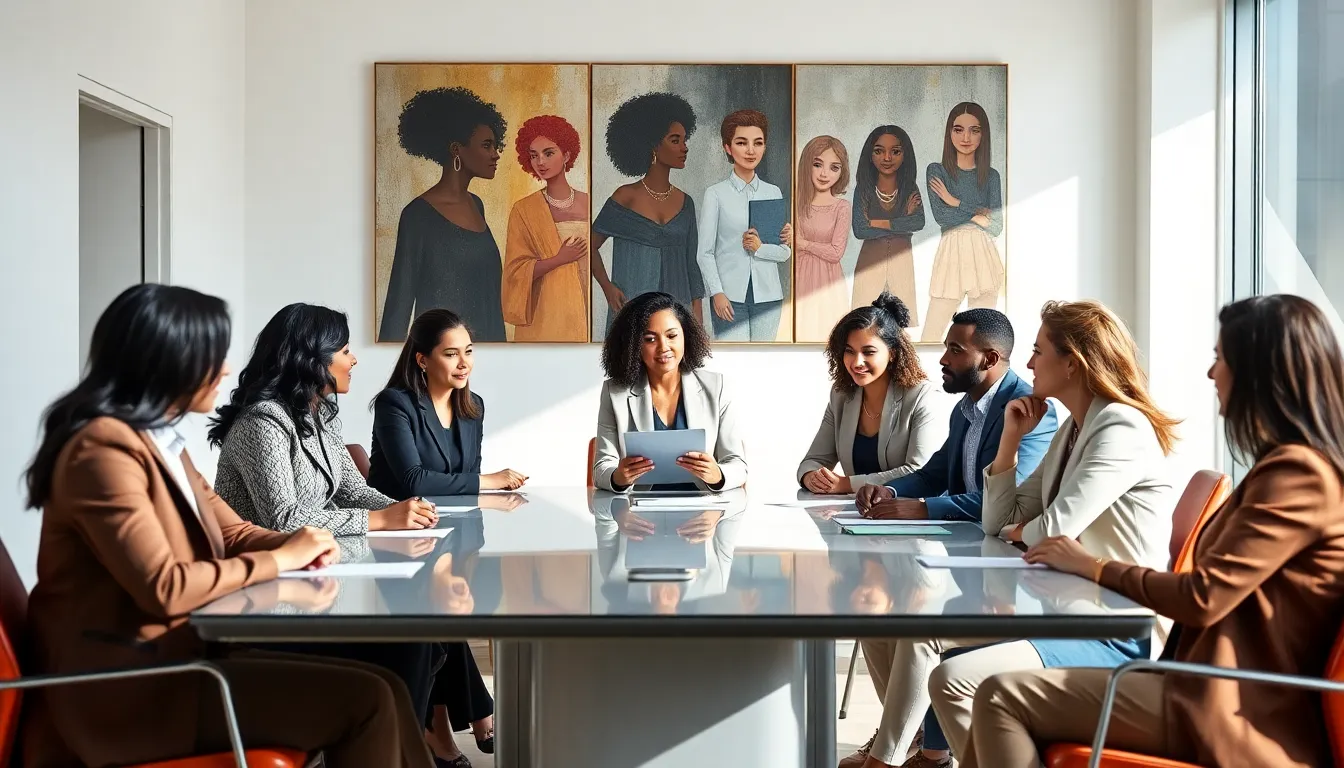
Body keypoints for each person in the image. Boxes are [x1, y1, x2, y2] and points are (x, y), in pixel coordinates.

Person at [20, 284, 433, 768]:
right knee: (368, 702)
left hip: (184, 659)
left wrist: (302, 545)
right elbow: (166, 588)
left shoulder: (158, 441)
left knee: (385, 685)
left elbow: (234, 532)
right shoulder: (102, 453)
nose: (226, 370)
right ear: (170, 359)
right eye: (212, 355)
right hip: (130, 692)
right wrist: (281, 557)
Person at [968, 294, 1344, 768]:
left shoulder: (1299, 475)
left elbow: (1203, 597)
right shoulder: (1288, 468)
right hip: (1198, 682)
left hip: (1229, 706)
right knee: (993, 689)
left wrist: (1093, 565)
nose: (1211, 375)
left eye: (1219, 359)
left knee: (1000, 696)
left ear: (1258, 373)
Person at [875, 299, 1178, 767]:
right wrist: (1011, 441)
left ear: (1072, 362)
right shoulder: (1072, 430)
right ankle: (897, 758)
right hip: (1062, 607)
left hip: (1115, 630)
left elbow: (1053, 530)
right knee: (920, 635)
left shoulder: (1119, 425)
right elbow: (1001, 523)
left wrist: (1026, 529)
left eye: (1038, 351)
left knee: (954, 679)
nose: (1030, 362)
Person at [209, 303, 442, 732]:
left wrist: (402, 510)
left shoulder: (321, 412)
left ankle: (412, 742)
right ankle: (406, 741)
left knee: (428, 620)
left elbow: (352, 490)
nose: (354, 360)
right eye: (345, 350)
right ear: (312, 356)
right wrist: (381, 522)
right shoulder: (262, 422)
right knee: (415, 634)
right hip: (270, 598)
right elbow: (283, 518)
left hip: (315, 573)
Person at [845, 307, 1056, 768]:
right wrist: (889, 491)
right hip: (967, 552)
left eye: (955, 349)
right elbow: (936, 472)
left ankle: (890, 756)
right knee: (878, 616)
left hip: (1012, 568)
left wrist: (918, 508)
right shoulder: (967, 408)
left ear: (991, 358)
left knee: (918, 623)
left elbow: (1003, 503)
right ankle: (922, 742)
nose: (942, 357)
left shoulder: (1030, 411)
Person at [369, 308, 525, 764]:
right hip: (394, 538)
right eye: (451, 354)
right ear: (422, 359)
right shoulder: (395, 403)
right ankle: (461, 721)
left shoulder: (471, 409)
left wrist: (478, 489)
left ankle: (453, 723)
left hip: (446, 533)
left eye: (469, 352)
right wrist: (490, 482)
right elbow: (416, 481)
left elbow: (459, 480)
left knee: (448, 606)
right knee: (440, 612)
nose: (464, 364)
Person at [379, 86, 508, 343]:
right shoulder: (417, 216)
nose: (496, 154)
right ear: (456, 149)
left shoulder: (477, 205)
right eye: (486, 145)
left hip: (492, 354)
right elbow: (398, 307)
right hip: (440, 359)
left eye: (495, 145)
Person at [591, 291, 747, 493]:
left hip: (703, 513)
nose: (663, 347)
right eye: (649, 339)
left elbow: (738, 464)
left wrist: (717, 475)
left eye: (672, 336)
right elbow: (601, 468)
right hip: (639, 515)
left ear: (686, 337)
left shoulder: (717, 387)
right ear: (633, 345)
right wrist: (619, 477)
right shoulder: (615, 392)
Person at [797, 292, 943, 494]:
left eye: (868, 352)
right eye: (849, 351)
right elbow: (814, 460)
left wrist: (847, 484)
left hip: (910, 515)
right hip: (858, 514)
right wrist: (811, 477)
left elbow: (919, 471)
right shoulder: (841, 395)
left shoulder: (923, 396)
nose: (856, 362)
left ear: (892, 353)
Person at [591, 92, 704, 335]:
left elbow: (691, 264)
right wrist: (608, 288)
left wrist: (697, 316)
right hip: (633, 312)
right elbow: (589, 246)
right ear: (653, 145)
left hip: (676, 314)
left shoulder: (687, 203)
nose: (684, 148)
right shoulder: (625, 197)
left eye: (685, 140)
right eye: (675, 140)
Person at [696, 109, 792, 342]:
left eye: (758, 143)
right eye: (742, 142)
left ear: (764, 147)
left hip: (768, 297)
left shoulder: (773, 192)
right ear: (728, 147)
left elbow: (784, 253)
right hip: (729, 297)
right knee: (733, 363)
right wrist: (717, 293)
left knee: (762, 364)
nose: (751, 150)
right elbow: (704, 253)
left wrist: (761, 248)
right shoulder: (715, 194)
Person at [501, 114, 590, 342]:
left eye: (548, 153)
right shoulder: (524, 210)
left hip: (585, 307)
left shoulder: (590, 202)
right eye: (534, 156)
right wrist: (560, 259)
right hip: (544, 314)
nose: (540, 162)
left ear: (567, 154)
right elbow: (514, 273)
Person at [921, 102, 1004, 343]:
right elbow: (942, 217)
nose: (965, 137)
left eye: (974, 130)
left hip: (984, 256)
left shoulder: (991, 176)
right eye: (958, 129)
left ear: (983, 134)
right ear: (949, 133)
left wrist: (954, 201)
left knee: (982, 339)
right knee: (931, 335)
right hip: (951, 253)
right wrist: (979, 216)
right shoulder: (936, 170)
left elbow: (997, 226)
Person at [850, 125, 925, 317]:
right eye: (879, 151)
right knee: (865, 321)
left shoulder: (909, 187)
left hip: (901, 260)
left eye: (895, 151)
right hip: (870, 261)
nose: (887, 158)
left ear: (905, 154)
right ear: (870, 155)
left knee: (900, 323)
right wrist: (901, 222)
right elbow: (860, 229)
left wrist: (876, 222)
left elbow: (918, 222)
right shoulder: (864, 189)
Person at [793, 134, 854, 343]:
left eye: (834, 168)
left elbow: (836, 252)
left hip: (829, 280)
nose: (824, 174)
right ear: (806, 165)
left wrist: (803, 244)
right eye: (818, 165)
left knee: (830, 337)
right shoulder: (796, 203)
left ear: (842, 172)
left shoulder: (842, 207)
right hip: (799, 276)